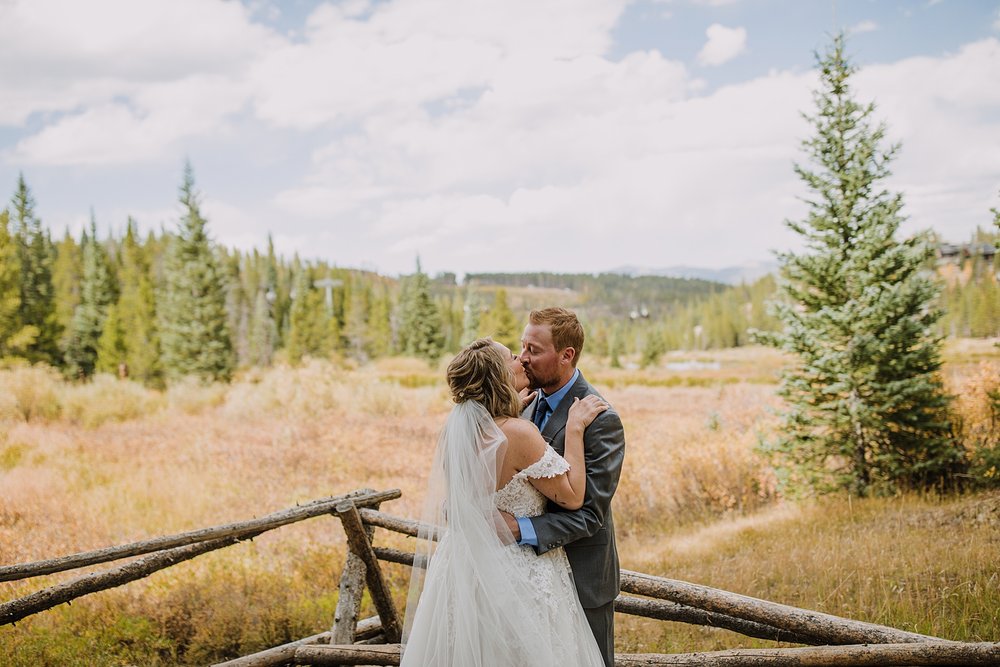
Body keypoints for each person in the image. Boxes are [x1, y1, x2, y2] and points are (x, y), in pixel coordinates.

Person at [401, 337, 610, 666]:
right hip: (516, 574)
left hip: (462, 568)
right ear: (500, 376)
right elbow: (571, 498)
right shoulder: (519, 433)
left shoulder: (458, 432)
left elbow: (456, 502)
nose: (522, 359)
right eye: (513, 356)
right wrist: (574, 429)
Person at [504, 307, 626, 667]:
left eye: (534, 350)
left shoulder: (601, 420)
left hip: (582, 577)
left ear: (566, 355)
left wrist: (518, 528)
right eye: (522, 347)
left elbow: (590, 515)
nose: (523, 359)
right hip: (530, 576)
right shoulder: (523, 405)